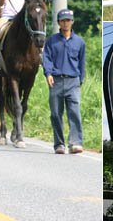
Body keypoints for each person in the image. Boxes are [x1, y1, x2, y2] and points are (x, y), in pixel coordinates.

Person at [42, 9, 85, 154]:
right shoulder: (52, 40)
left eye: (68, 20)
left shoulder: (79, 41)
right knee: (55, 114)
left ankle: (76, 143)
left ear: (72, 22)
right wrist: (48, 73)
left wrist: (81, 82)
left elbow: (82, 63)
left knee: (74, 113)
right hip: (56, 81)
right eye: (63, 20)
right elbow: (46, 58)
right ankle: (59, 144)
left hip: (73, 82)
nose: (66, 23)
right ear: (59, 22)